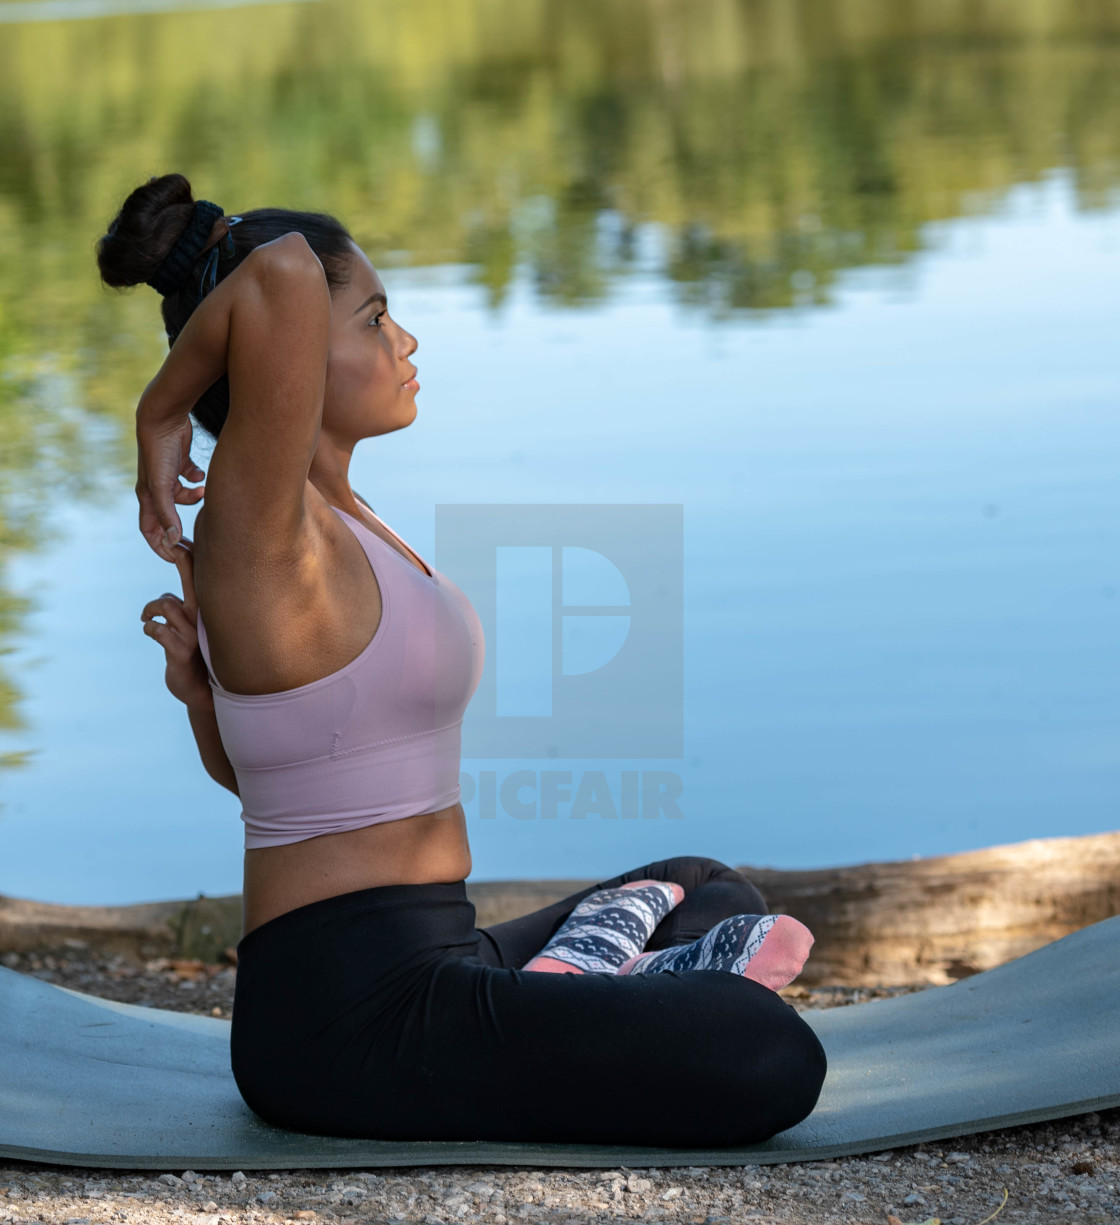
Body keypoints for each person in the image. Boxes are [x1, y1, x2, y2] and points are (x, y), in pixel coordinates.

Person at [97, 173, 827, 1148]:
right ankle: (606, 996)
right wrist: (159, 411)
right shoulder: (257, 525)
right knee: (768, 1054)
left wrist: (203, 703)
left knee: (701, 882)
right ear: (300, 350)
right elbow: (277, 273)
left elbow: (274, 781)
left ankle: (565, 988)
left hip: (445, 951)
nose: (405, 342)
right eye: (374, 317)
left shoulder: (346, 516)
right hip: (348, 1016)